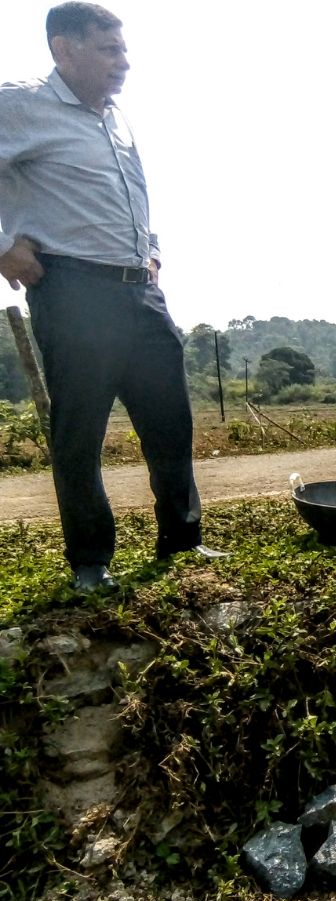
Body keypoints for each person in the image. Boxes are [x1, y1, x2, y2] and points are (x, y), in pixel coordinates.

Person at [0, 2, 223, 593]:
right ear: (62, 49)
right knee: (81, 433)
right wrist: (2, 246)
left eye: (123, 49)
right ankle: (91, 561)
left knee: (169, 420)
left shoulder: (115, 118)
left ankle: (184, 537)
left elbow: (130, 198)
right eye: (108, 49)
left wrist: (151, 250)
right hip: (72, 290)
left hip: (139, 290)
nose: (124, 62)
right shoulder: (20, 104)